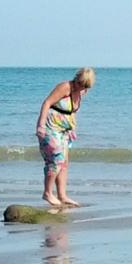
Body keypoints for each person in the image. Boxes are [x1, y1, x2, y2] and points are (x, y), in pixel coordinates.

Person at [35, 67, 94, 207]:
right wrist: (40, 125)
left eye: (85, 86)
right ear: (77, 79)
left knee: (64, 164)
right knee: (56, 161)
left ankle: (62, 195)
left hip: (65, 131)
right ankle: (47, 193)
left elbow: (71, 111)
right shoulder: (65, 87)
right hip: (50, 128)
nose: (81, 87)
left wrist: (73, 128)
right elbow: (47, 103)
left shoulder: (82, 91)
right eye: (80, 83)